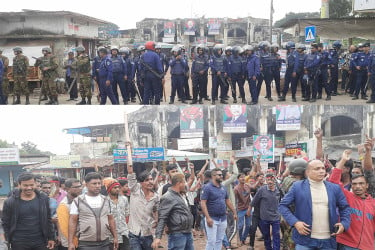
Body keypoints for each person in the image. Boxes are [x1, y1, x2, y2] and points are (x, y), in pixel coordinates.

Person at [278, 160, 351, 250]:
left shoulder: (334, 188)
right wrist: (295, 222)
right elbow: (282, 206)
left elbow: (345, 208)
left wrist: (344, 223)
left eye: (323, 168)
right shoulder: (297, 187)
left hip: (328, 240)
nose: (321, 171)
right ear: (307, 172)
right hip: (305, 240)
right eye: (317, 169)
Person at [328, 150, 375, 250]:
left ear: (367, 186)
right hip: (347, 245)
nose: (358, 186)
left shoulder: (373, 203)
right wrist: (343, 160)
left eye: (361, 184)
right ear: (351, 186)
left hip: (367, 246)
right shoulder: (347, 196)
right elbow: (333, 182)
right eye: (354, 184)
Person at [2, 172, 55, 250]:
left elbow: (48, 219)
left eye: (31, 185)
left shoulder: (43, 199)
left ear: (35, 184)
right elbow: (5, 223)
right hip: (19, 242)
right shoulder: (10, 202)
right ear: (19, 185)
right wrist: (8, 240)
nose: (29, 188)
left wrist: (51, 237)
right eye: (25, 185)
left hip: (40, 241)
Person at [68, 172, 118, 250]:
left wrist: (115, 237)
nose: (97, 186)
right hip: (86, 244)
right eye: (94, 184)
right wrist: (70, 242)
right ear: (87, 185)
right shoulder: (78, 201)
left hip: (104, 242)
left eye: (99, 183)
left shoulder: (106, 200)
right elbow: (72, 221)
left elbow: (111, 219)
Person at [152, 173, 194, 250]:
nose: (185, 184)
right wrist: (158, 237)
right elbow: (162, 217)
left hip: (187, 232)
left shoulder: (182, 195)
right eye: (184, 182)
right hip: (177, 233)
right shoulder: (168, 197)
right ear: (179, 183)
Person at [200, 168, 237, 250]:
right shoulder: (207, 187)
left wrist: (234, 212)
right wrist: (208, 218)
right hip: (212, 218)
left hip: (223, 218)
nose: (221, 176)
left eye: (221, 175)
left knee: (219, 240)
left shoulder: (223, 187)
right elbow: (203, 203)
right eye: (219, 175)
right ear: (213, 176)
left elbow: (227, 201)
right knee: (211, 241)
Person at [127, 160, 159, 250]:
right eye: (147, 180)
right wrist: (128, 148)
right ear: (141, 183)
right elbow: (130, 170)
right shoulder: (135, 190)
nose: (150, 182)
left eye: (151, 179)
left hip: (148, 234)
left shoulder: (156, 197)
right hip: (134, 233)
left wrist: (156, 232)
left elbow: (156, 214)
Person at [251, 173, 281, 250]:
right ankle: (268, 248)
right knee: (266, 235)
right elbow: (254, 201)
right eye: (268, 180)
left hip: (276, 217)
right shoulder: (262, 190)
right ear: (266, 180)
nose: (270, 182)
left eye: (271, 179)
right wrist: (249, 210)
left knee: (276, 235)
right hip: (264, 217)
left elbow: (283, 200)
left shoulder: (279, 189)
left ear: (275, 180)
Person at [105, 178, 130, 250]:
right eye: (115, 188)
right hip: (110, 235)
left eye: (118, 187)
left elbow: (127, 214)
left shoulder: (124, 199)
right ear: (109, 189)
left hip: (124, 232)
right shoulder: (105, 201)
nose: (117, 189)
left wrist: (125, 225)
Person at [56, 179, 82, 250]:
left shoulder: (81, 200)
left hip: (81, 241)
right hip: (70, 244)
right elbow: (65, 228)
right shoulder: (64, 205)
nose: (79, 189)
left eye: (80, 186)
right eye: (76, 187)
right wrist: (73, 242)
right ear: (67, 189)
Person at [234, 173, 252, 246]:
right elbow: (235, 201)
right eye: (241, 177)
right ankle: (240, 239)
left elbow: (253, 187)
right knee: (240, 226)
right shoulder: (236, 188)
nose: (243, 178)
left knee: (248, 225)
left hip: (248, 208)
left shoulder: (247, 186)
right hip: (240, 209)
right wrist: (234, 212)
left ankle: (243, 239)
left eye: (244, 177)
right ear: (238, 179)